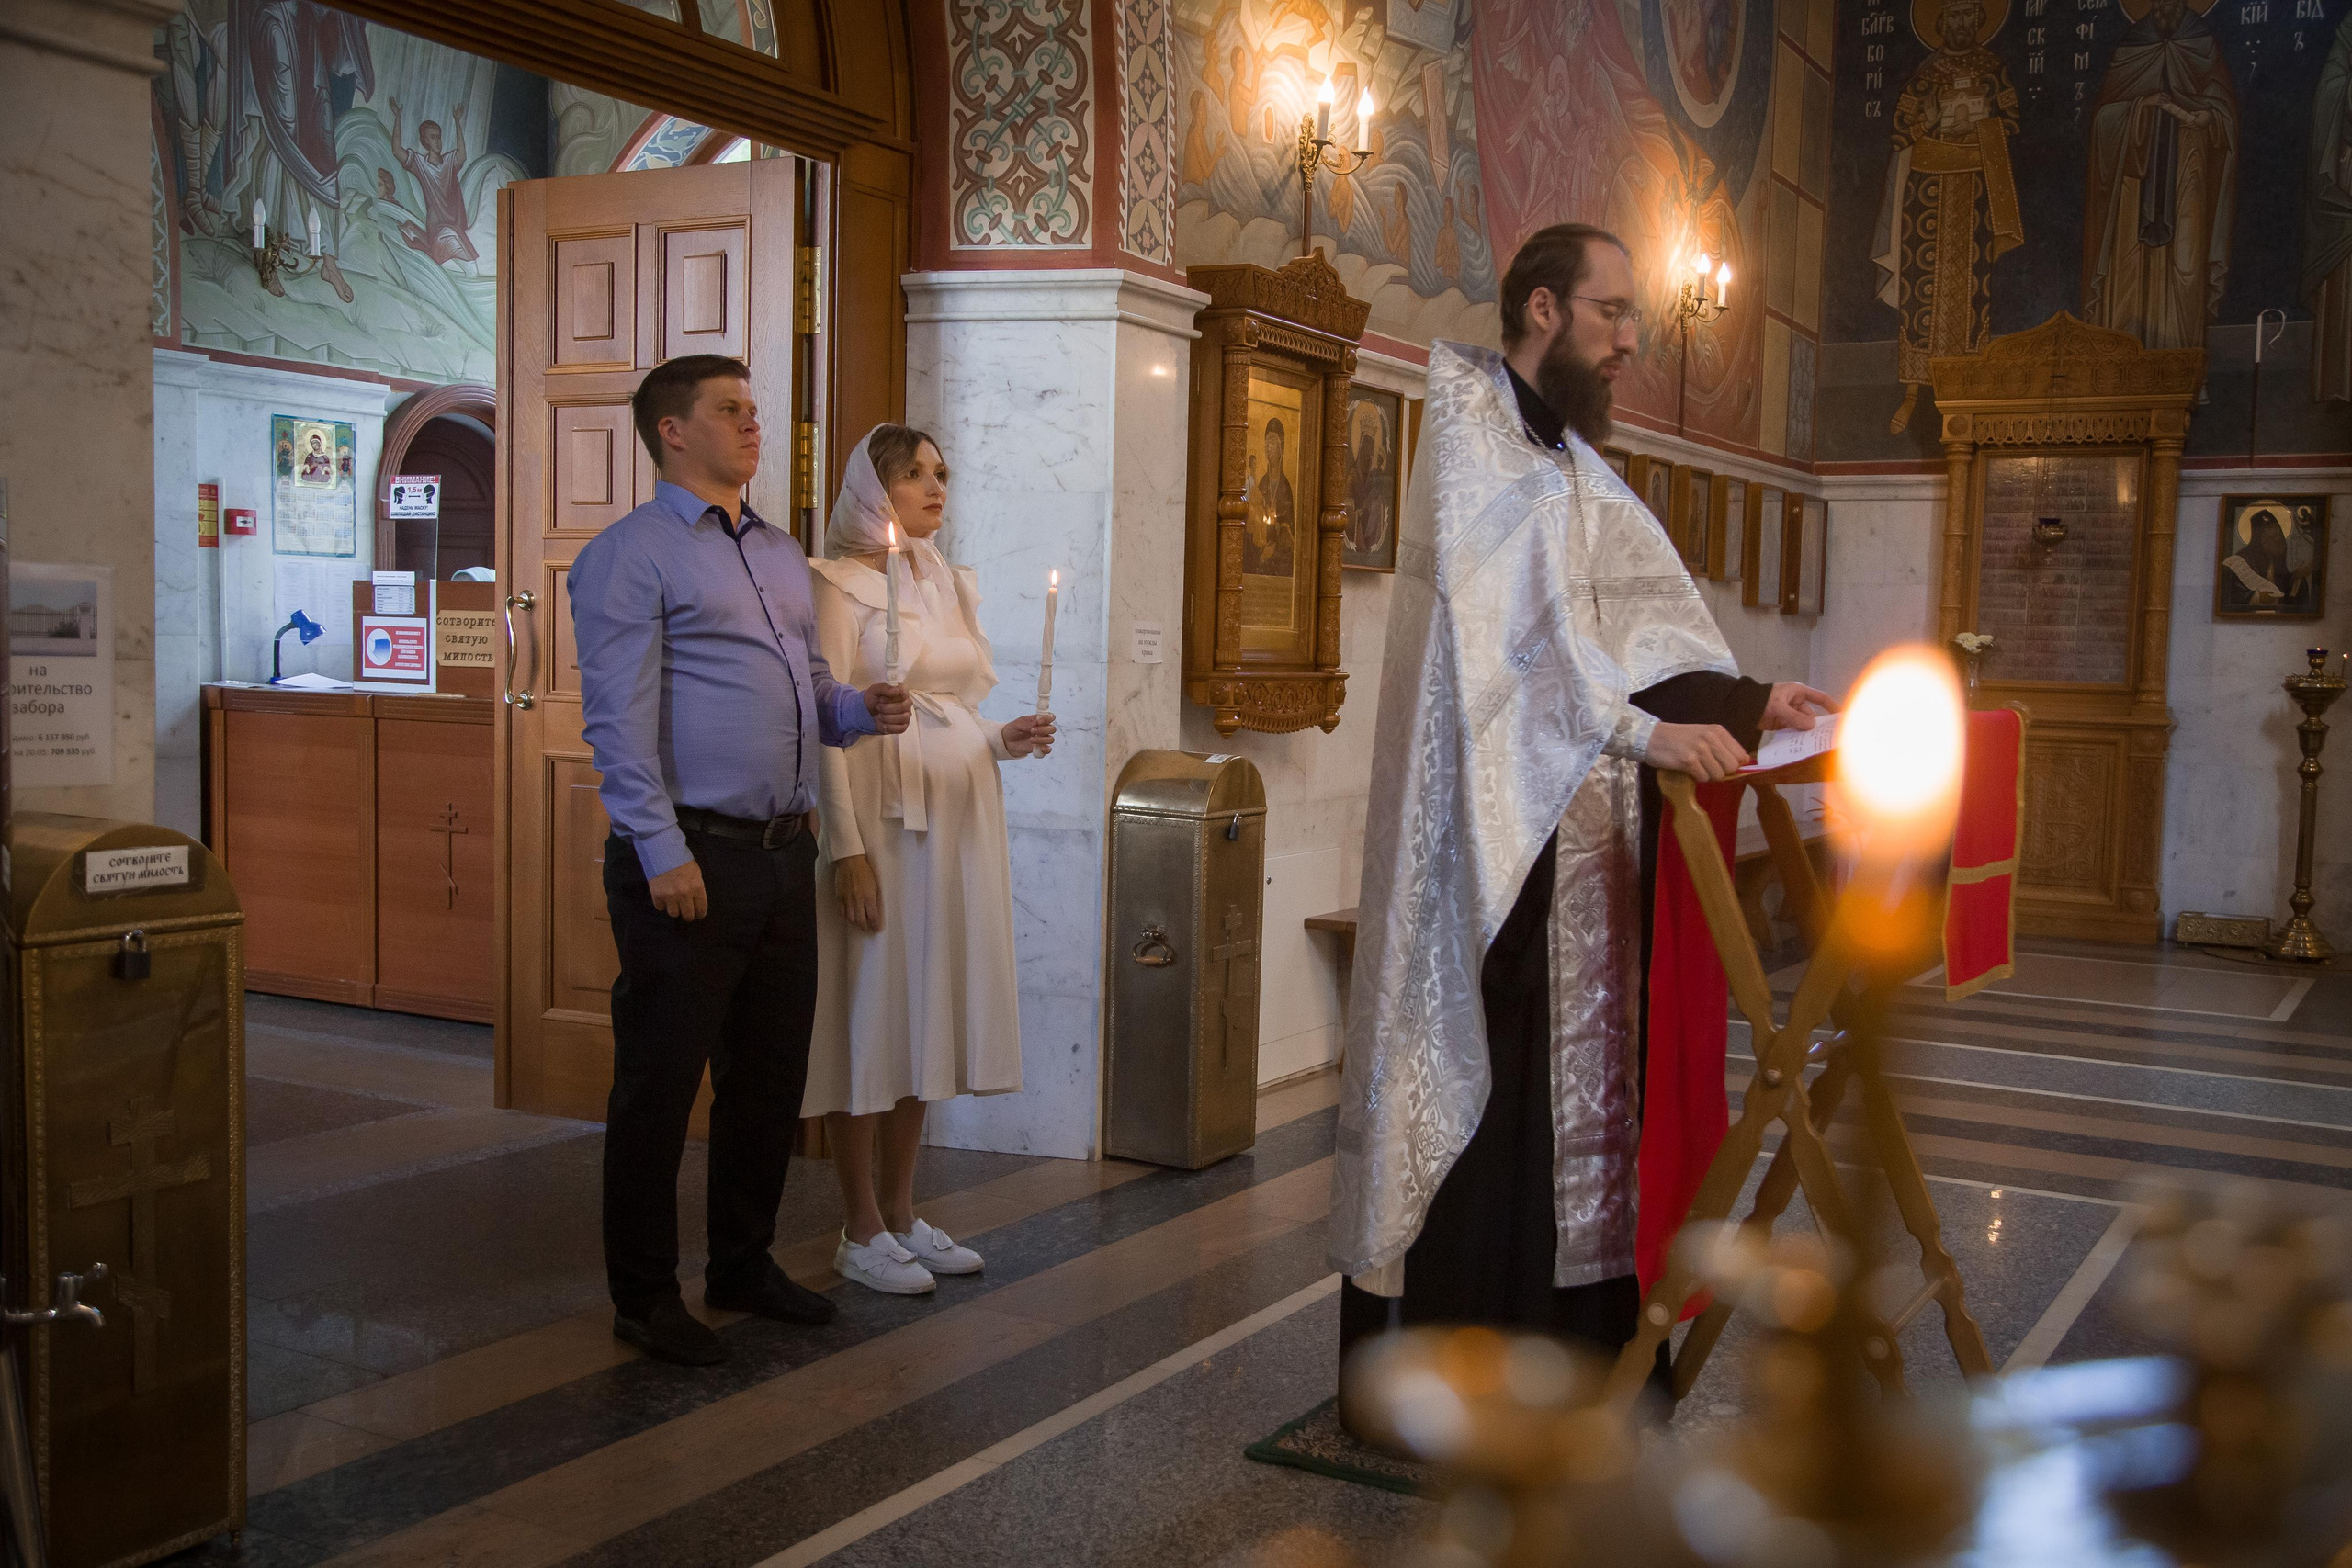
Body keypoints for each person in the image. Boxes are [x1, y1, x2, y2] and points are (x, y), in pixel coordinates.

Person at [1328, 224, 1835, 1407]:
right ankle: (1472, 1374)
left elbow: (1637, 631)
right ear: (1544, 309)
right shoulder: (1470, 442)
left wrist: (1752, 699)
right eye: (1612, 314)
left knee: (1579, 1104)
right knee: (1496, 1103)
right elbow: (1507, 655)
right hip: (1493, 855)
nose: (1629, 342)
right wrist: (1644, 732)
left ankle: (1579, 1351)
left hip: (1589, 849)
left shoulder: (1571, 465)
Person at [568, 355, 912, 1367]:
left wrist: (857, 711)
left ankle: (741, 1263)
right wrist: (658, 846)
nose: (753, 424)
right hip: (689, 858)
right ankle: (642, 1295)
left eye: (754, 408)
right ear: (673, 431)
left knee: (764, 1079)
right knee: (660, 1087)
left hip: (779, 853)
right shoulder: (631, 556)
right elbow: (618, 720)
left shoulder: (774, 550)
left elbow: (808, 684)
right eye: (730, 410)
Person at [803, 426, 1057, 1293]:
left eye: (940, 472)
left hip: (956, 824)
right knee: (870, 1008)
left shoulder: (943, 581)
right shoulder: (837, 583)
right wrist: (846, 850)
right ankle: (859, 1224)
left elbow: (949, 705)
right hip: (880, 820)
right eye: (912, 474)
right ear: (873, 491)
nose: (933, 486)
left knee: (925, 1007)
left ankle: (905, 1211)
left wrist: (1001, 737)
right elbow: (825, 731)